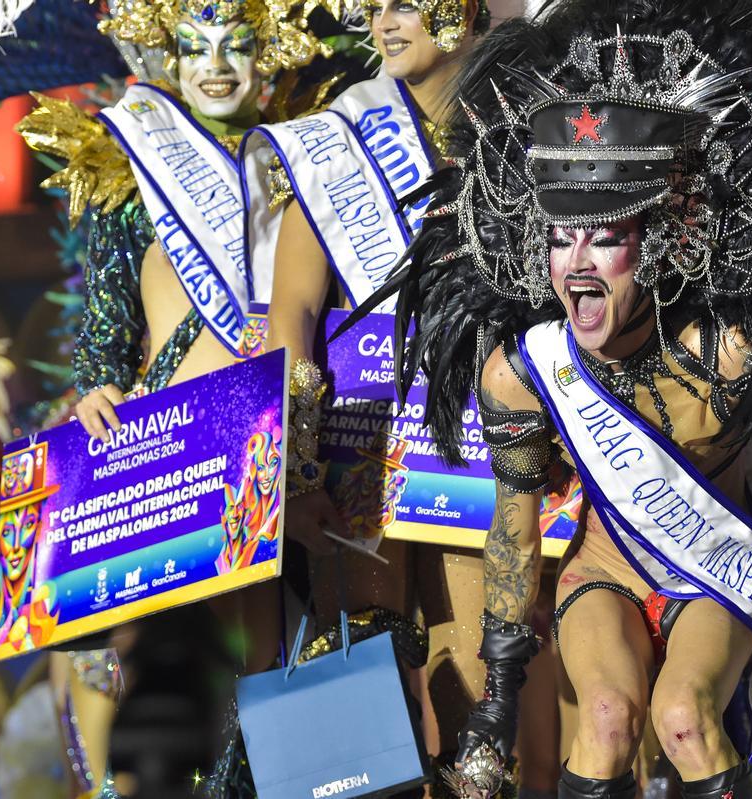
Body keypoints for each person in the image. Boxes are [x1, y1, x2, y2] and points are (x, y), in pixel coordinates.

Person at [341, 0, 752, 794]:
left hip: (717, 575)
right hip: (603, 568)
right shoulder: (527, 368)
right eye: (562, 235)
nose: (577, 262)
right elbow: (514, 523)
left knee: (684, 717)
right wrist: (499, 700)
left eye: (605, 235)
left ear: (666, 239)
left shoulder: (738, 352)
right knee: (605, 719)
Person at [15, 0, 342, 793]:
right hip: (163, 445)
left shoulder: (304, 170)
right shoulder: (131, 181)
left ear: (270, 53)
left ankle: (250, 783)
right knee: (121, 639)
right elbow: (105, 322)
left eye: (238, 44)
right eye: (197, 48)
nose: (219, 65)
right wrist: (95, 385)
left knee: (263, 646)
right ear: (169, 59)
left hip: (267, 432)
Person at [241, 0, 503, 779]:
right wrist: (301, 468)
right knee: (366, 668)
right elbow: (290, 311)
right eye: (375, 7)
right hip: (359, 446)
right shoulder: (334, 145)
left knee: (476, 673)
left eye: (407, 5)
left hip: (472, 440)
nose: (386, 23)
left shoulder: (517, 133)